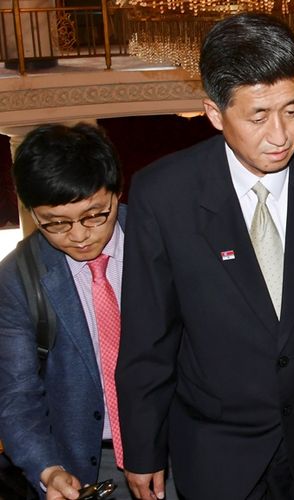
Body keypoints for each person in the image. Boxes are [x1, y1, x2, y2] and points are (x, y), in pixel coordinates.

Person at [115, 13, 294, 500]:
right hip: (216, 448)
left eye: (292, 109)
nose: (280, 134)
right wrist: (143, 448)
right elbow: (148, 338)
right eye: (258, 116)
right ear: (214, 113)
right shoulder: (163, 195)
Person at [0, 123, 171, 499]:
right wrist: (49, 470)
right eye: (56, 223)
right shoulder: (17, 278)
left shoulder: (163, 240)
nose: (79, 236)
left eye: (94, 215)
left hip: (176, 452)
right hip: (86, 469)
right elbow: (16, 395)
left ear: (117, 191)